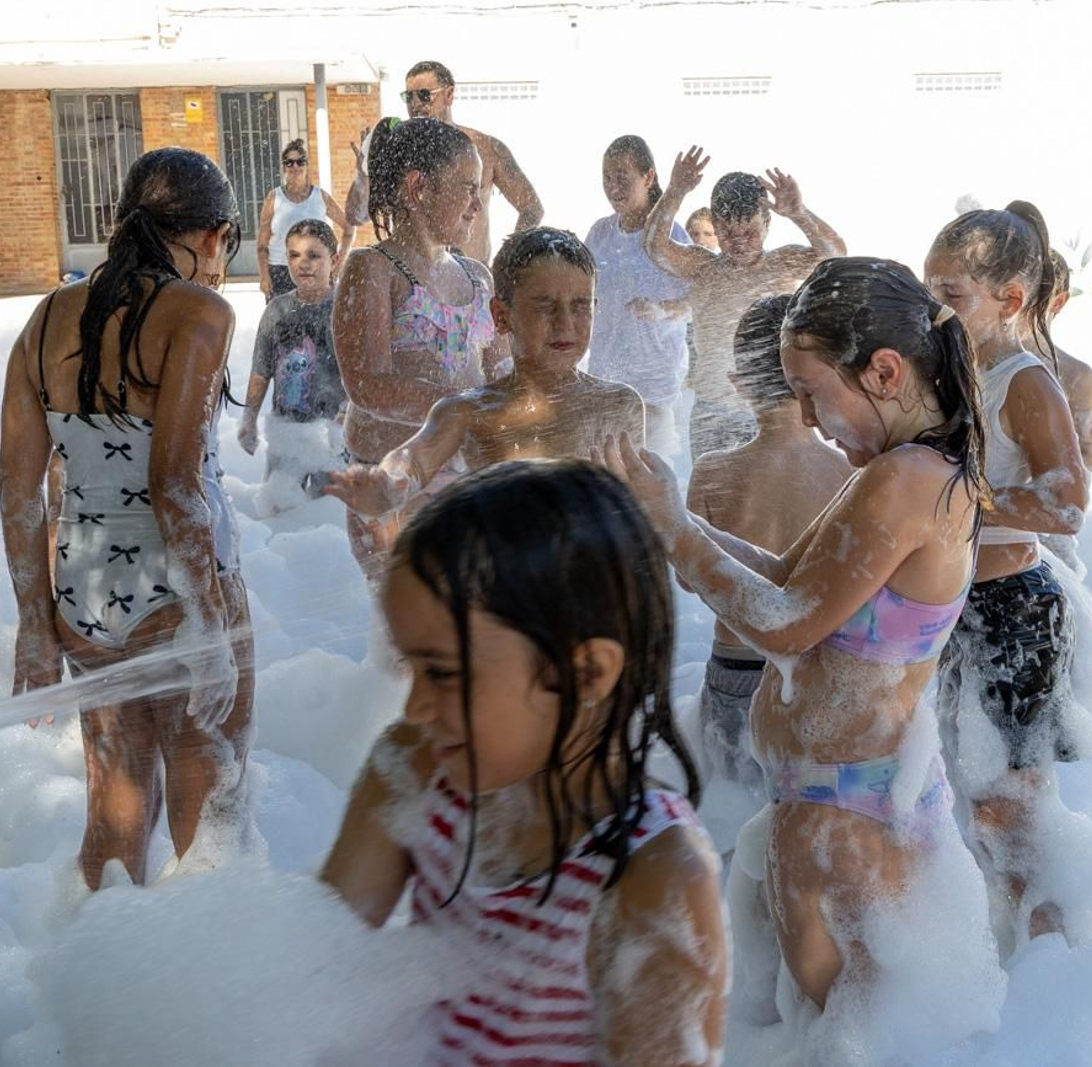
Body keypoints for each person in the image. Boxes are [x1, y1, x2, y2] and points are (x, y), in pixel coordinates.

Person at [604, 257, 987, 1013]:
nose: (807, 418)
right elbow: (786, 577)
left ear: (883, 371)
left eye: (811, 393)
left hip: (850, 817)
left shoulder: (906, 479)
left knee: (841, 1027)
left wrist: (676, 535)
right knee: (843, 1029)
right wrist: (673, 518)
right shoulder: (908, 466)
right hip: (851, 801)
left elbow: (784, 626)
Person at [320, 459, 728, 1066]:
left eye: (443, 673)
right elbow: (315, 976)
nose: (416, 707)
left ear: (583, 673)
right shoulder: (415, 770)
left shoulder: (653, 879)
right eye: (412, 668)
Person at [0, 147, 253, 890]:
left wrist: (33, 621)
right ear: (212, 236)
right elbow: (175, 482)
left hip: (80, 588)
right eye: (223, 246)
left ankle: (102, 976)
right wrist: (209, 624)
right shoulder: (199, 313)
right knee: (213, 814)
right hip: (178, 593)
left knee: (115, 807)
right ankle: (201, 992)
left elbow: (20, 491)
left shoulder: (45, 320)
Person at [925, 201, 1089, 944]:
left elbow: (1067, 499)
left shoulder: (1027, 381)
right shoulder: (956, 371)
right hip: (957, 600)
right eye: (931, 290)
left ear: (1010, 300)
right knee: (966, 784)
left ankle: (1048, 947)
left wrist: (965, 500)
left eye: (950, 295)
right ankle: (1003, 939)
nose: (935, 310)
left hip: (1014, 605)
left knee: (1010, 798)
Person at [325, 227, 644, 518]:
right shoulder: (470, 411)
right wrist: (384, 485)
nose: (565, 323)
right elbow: (414, 460)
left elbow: (649, 514)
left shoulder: (617, 405)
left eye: (580, 305)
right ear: (501, 317)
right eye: (545, 306)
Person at [685, 295, 853, 791]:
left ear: (738, 386)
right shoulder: (849, 475)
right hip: (814, 674)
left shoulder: (713, 470)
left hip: (736, 667)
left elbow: (688, 576)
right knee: (804, 813)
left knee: (731, 814)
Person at [332, 117, 499, 581]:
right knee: (417, 640)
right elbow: (367, 386)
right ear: (419, 187)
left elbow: (502, 373)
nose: (476, 205)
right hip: (392, 486)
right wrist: (463, 411)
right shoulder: (373, 270)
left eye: (478, 190)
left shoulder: (476, 277)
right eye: (467, 188)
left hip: (467, 479)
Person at [644, 146, 846, 459]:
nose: (738, 242)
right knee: (710, 500)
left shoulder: (781, 264)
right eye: (726, 232)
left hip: (775, 410)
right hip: (713, 410)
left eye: (749, 232)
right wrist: (675, 190)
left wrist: (800, 214)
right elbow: (655, 247)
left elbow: (835, 257)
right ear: (716, 225)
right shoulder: (704, 269)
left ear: (767, 223)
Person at [584, 135, 692, 460]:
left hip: (655, 389)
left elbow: (696, 305)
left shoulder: (671, 236)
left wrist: (662, 310)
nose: (613, 186)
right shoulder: (600, 233)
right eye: (606, 177)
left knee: (651, 485)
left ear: (649, 177)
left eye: (622, 177)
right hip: (605, 381)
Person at [239, 219, 346, 510]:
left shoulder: (343, 312)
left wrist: (349, 415)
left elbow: (359, 375)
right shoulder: (277, 310)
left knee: (330, 516)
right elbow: (261, 368)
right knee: (280, 512)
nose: (303, 263)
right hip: (286, 431)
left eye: (314, 255)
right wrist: (249, 419)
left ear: (334, 260)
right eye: (294, 255)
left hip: (332, 435)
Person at [401, 60, 544, 264]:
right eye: (408, 97)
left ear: (449, 95)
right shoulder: (401, 152)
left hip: (473, 283)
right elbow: (364, 213)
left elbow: (531, 207)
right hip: (415, 280)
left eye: (424, 95)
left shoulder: (487, 148)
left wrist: (508, 261)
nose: (415, 104)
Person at [1038, 250, 1092, 568]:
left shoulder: (1074, 375)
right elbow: (1090, 454)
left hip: (1047, 527)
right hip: (1044, 524)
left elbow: (1089, 457)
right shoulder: (1074, 374)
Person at [256, 138, 354, 303]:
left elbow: (349, 227)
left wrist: (339, 261)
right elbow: (262, 244)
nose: (295, 167)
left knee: (317, 323)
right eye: (289, 162)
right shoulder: (274, 198)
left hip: (316, 270)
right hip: (280, 272)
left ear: (307, 166)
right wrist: (264, 276)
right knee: (282, 325)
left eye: (300, 162)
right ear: (283, 167)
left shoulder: (320, 197)